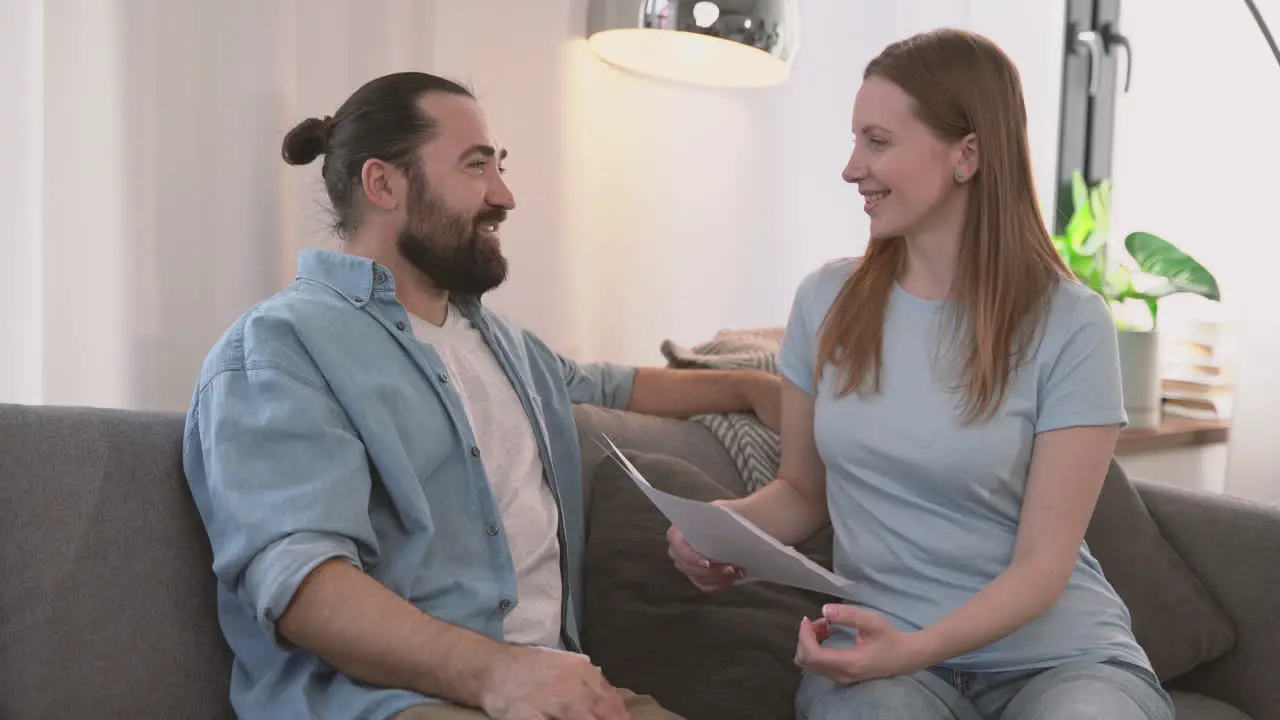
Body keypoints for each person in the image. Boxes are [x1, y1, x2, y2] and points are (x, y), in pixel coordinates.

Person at [182, 71, 780, 720]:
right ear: (383, 184)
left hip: (557, 688)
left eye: (500, 166)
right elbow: (302, 583)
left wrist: (751, 384)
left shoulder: (508, 348)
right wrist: (502, 676)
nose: (505, 195)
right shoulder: (281, 347)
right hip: (388, 702)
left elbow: (611, 385)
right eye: (475, 167)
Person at [667, 28, 1176, 720]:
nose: (852, 168)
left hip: (1057, 658)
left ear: (966, 155)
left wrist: (915, 647)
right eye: (855, 141)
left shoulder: (1071, 321)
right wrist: (722, 529)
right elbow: (801, 492)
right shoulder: (827, 302)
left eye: (877, 142)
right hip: (880, 665)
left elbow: (1042, 569)